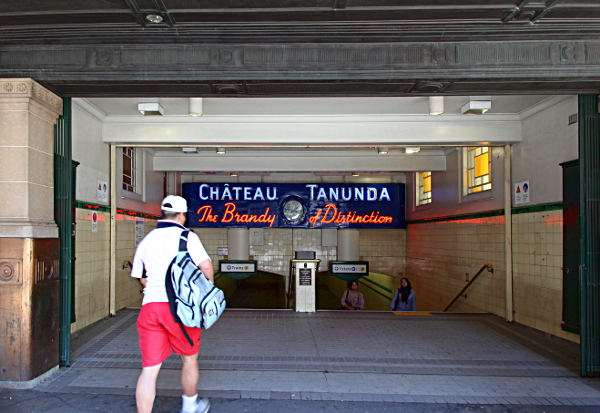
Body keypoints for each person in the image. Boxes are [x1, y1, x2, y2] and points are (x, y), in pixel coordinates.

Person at [131, 195, 214, 413]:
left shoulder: (147, 240)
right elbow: (205, 265)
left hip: (151, 309)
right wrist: (208, 292)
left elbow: (142, 278)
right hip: (180, 310)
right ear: (181, 215)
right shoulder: (186, 237)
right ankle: (190, 406)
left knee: (149, 370)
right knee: (189, 360)